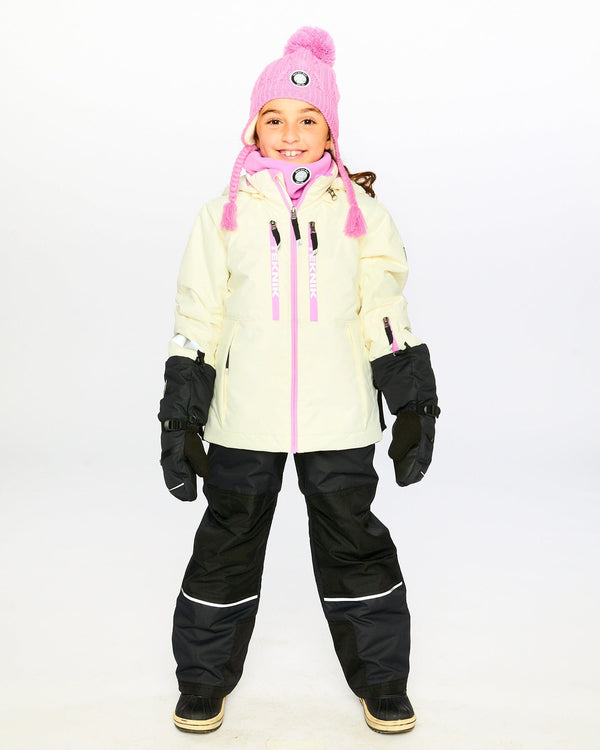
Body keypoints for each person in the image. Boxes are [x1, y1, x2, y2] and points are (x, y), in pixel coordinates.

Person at [158, 26, 440, 735]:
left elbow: (384, 310)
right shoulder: (222, 216)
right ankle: (203, 682)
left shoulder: (360, 214)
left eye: (309, 119)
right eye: (275, 118)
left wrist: (413, 402)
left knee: (354, 541)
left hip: (338, 414)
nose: (291, 134)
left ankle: (382, 681)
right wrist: (180, 417)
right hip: (243, 415)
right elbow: (199, 317)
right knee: (227, 541)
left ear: (331, 130)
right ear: (253, 127)